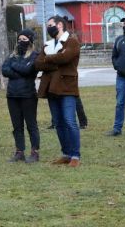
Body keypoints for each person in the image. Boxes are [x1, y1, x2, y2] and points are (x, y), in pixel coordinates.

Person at [35, 16, 82, 167]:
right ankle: (66, 153)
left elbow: (66, 58)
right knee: (59, 123)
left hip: (67, 88)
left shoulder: (72, 41)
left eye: (50, 25)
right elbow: (38, 64)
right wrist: (55, 61)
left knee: (69, 121)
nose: (48, 28)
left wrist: (48, 59)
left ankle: (75, 155)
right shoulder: (47, 44)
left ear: (60, 25)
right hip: (51, 88)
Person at [2, 29, 41, 163]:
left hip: (28, 95)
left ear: (30, 41)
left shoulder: (35, 55)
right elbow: (4, 70)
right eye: (19, 39)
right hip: (12, 95)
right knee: (17, 126)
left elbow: (29, 70)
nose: (21, 42)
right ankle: (19, 151)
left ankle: (35, 152)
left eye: (24, 39)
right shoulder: (12, 55)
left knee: (31, 124)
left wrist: (14, 67)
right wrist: (19, 70)